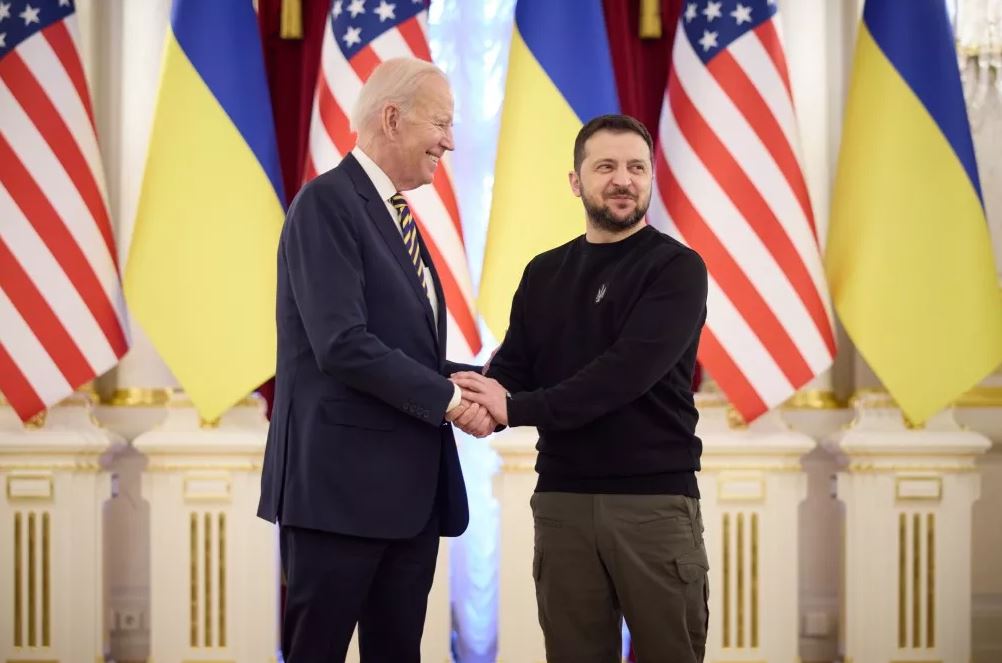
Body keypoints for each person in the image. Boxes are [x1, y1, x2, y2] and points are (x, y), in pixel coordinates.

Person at [257, 57, 494, 662]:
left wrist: (481, 382)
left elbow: (402, 350)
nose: (450, 141)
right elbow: (342, 344)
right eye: (440, 123)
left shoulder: (393, 214)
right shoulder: (326, 203)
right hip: (338, 495)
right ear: (392, 119)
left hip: (406, 499)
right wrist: (451, 401)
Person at [453, 114, 710, 663]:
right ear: (576, 181)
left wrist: (511, 408)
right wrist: (471, 397)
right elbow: (514, 366)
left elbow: (623, 375)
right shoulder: (543, 273)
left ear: (651, 177)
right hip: (562, 502)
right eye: (606, 167)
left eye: (637, 168)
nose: (623, 180)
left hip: (653, 505)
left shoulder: (677, 269)